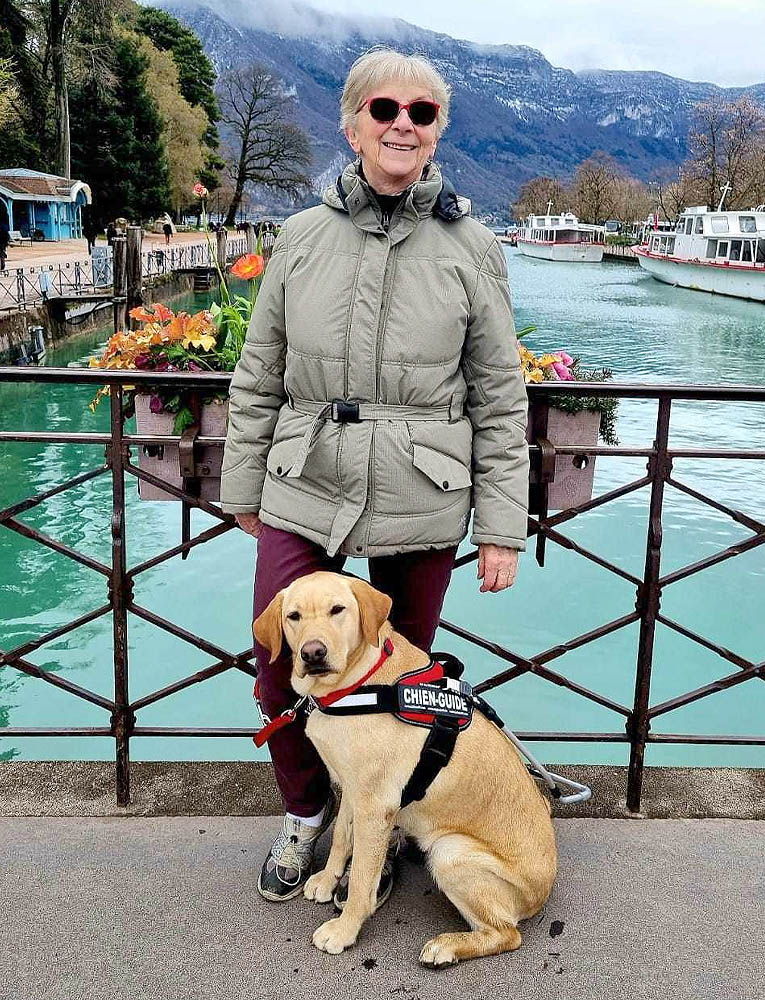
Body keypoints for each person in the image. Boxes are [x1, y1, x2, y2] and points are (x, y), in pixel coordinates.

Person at [220, 48, 529, 906]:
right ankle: (305, 815)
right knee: (280, 660)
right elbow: (259, 372)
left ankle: (381, 827)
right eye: (385, 109)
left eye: (422, 113)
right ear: (351, 122)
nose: (403, 123)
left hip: (422, 487)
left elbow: (500, 397)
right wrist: (244, 489)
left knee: (406, 682)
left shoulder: (472, 247)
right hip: (306, 478)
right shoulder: (302, 237)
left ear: (437, 132)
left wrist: (503, 526)